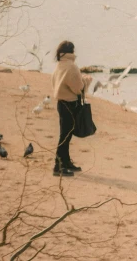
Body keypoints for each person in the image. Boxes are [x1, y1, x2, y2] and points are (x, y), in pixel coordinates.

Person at [50, 40, 92, 176]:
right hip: (69, 104)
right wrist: (86, 81)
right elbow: (78, 89)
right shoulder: (71, 67)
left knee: (65, 134)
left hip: (61, 103)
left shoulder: (60, 65)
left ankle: (66, 162)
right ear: (72, 51)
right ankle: (58, 165)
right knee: (65, 135)